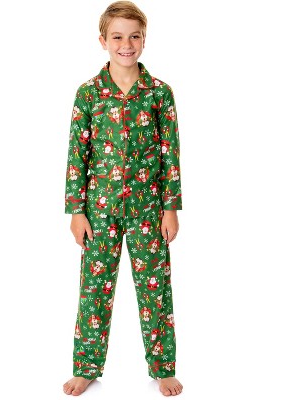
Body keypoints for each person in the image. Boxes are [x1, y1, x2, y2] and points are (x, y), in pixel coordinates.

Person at [63, 1, 183, 396]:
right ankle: (86, 367)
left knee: (155, 290)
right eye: (117, 37)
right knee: (94, 291)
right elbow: (77, 155)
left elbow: (170, 153)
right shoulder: (88, 94)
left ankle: (163, 368)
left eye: (134, 36)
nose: (126, 44)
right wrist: (76, 211)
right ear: (103, 40)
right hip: (99, 210)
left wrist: (170, 209)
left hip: (149, 210)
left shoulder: (160, 93)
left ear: (144, 40)